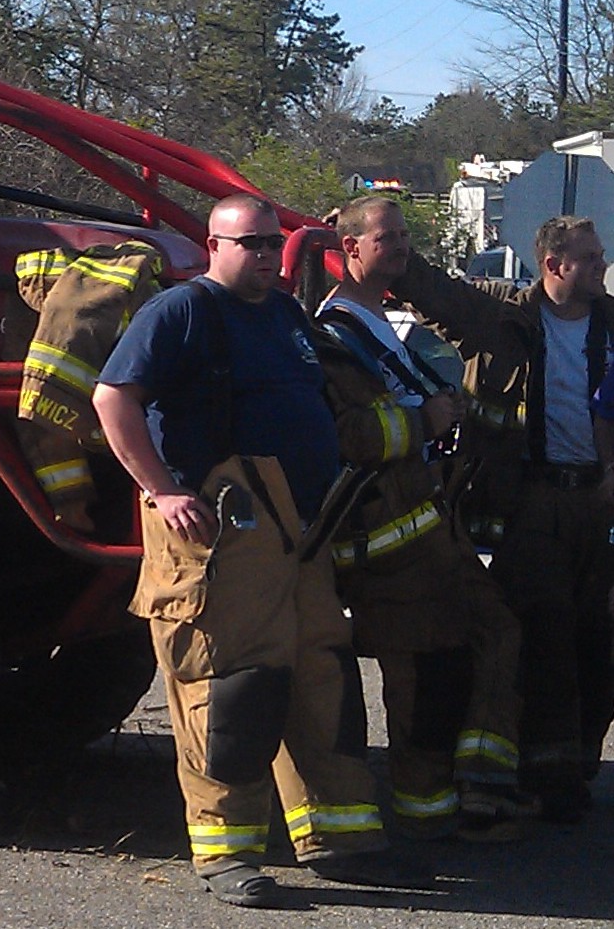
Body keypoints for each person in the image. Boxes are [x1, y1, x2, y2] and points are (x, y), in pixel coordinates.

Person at [95, 194, 418, 908]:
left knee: (318, 675)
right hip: (220, 533)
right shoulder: (182, 312)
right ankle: (226, 852)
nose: (268, 256)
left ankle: (340, 836)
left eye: (274, 244)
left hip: (297, 530)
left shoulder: (282, 314)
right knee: (230, 688)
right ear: (214, 244)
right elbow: (113, 397)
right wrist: (162, 489)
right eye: (251, 245)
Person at [316, 195, 530, 840]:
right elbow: (346, 437)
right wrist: (426, 420)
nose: (403, 247)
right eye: (390, 237)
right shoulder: (334, 335)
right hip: (383, 537)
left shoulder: (381, 320)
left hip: (431, 524)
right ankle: (427, 810)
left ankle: (481, 786)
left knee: (494, 632)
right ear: (350, 249)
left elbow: (484, 330)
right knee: (420, 673)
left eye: (406, 235)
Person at [392, 214, 614, 822]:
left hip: (602, 502)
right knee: (544, 632)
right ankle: (548, 772)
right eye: (590, 258)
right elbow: (432, 291)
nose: (601, 266)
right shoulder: (501, 317)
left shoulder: (613, 322)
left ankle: (576, 760)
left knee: (599, 639)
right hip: (531, 502)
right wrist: (380, 243)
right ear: (554, 265)